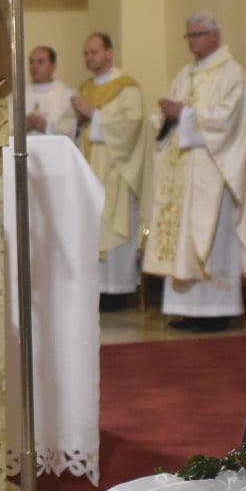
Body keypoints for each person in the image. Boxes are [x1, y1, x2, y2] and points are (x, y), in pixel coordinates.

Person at [143, 13, 246, 333]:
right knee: (184, 239)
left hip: (215, 173)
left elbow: (227, 121)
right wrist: (167, 118)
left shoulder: (231, 74)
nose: (192, 41)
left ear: (214, 37)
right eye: (188, 36)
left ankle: (217, 311)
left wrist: (183, 113)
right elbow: (166, 120)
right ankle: (189, 309)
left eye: (197, 34)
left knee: (211, 239)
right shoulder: (185, 74)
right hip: (184, 172)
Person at [73, 32, 153, 310]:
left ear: (109, 52)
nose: (89, 57)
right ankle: (94, 289)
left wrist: (94, 115)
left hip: (116, 170)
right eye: (86, 53)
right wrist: (78, 118)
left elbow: (131, 125)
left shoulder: (127, 87)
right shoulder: (84, 87)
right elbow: (74, 128)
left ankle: (116, 291)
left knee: (114, 224)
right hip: (90, 167)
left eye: (94, 52)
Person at [24, 45, 76, 135]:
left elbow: (71, 131)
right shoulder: (16, 96)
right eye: (31, 62)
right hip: (24, 148)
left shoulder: (68, 96)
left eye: (40, 62)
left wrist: (46, 126)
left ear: (53, 66)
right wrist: (23, 126)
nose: (34, 66)